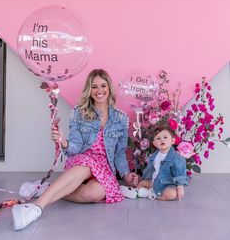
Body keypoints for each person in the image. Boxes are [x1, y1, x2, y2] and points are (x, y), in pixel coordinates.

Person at [12, 69, 138, 230]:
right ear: (89, 90)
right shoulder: (79, 113)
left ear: (109, 88)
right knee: (86, 164)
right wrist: (63, 141)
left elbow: (120, 153)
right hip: (82, 160)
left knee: (95, 193)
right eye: (94, 86)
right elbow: (75, 147)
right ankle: (36, 208)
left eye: (103, 85)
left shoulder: (121, 119)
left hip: (105, 167)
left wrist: (126, 175)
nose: (99, 90)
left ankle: (48, 188)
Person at [121, 125, 188, 201]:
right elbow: (151, 170)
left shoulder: (176, 157)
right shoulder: (154, 155)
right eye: (158, 138)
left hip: (166, 184)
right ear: (155, 144)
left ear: (172, 141)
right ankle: (136, 191)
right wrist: (141, 178)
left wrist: (180, 186)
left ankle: (151, 194)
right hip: (153, 182)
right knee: (142, 183)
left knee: (172, 193)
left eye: (165, 137)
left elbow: (180, 172)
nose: (162, 140)